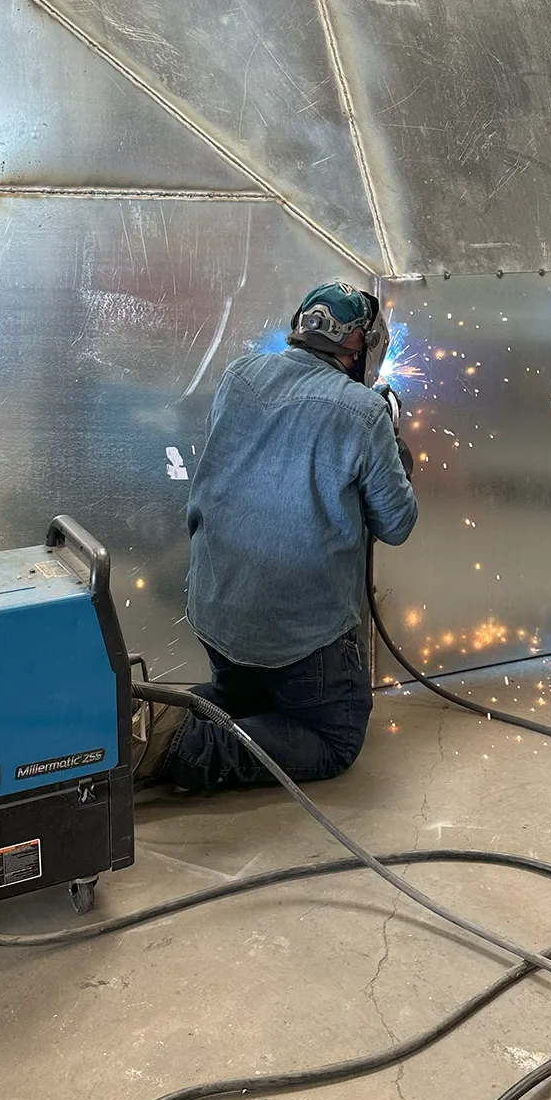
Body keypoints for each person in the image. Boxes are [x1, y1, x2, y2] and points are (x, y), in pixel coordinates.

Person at [135, 282, 418, 793]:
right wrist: (391, 443)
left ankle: (161, 720)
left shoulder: (239, 376)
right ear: (356, 348)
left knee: (245, 697)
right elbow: (396, 524)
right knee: (335, 739)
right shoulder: (365, 412)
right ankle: (180, 748)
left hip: (217, 612)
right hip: (299, 640)